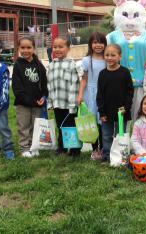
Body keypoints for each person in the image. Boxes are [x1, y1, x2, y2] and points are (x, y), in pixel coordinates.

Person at [97, 44, 134, 162]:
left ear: (120, 57)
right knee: (107, 135)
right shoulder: (102, 74)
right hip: (106, 112)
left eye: (113, 55)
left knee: (120, 135)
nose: (110, 57)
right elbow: (100, 95)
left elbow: (130, 92)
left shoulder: (125, 72)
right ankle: (107, 155)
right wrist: (101, 112)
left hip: (122, 112)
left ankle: (120, 156)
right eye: (107, 55)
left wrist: (126, 108)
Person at [12, 37, 48, 158]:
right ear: (18, 48)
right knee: (24, 126)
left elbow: (44, 82)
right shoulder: (17, 65)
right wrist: (26, 99)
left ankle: (34, 146)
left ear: (34, 49)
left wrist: (44, 95)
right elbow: (16, 87)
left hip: (37, 102)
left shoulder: (38, 64)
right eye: (22, 47)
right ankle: (24, 148)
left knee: (35, 125)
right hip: (23, 103)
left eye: (29, 47)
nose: (25, 50)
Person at [47, 37, 81, 156]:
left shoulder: (73, 65)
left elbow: (74, 85)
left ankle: (74, 149)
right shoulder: (51, 66)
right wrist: (50, 102)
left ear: (68, 48)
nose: (57, 49)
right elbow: (49, 85)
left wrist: (73, 105)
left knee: (71, 126)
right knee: (60, 125)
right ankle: (61, 147)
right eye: (55, 47)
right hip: (57, 103)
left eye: (61, 46)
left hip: (69, 103)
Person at [77, 32, 107, 160]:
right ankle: (95, 149)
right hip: (90, 94)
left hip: (104, 93)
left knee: (102, 121)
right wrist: (80, 95)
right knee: (93, 121)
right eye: (95, 42)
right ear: (90, 44)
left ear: (105, 44)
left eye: (101, 42)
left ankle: (103, 149)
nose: (98, 45)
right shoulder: (86, 60)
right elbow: (84, 79)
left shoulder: (107, 59)